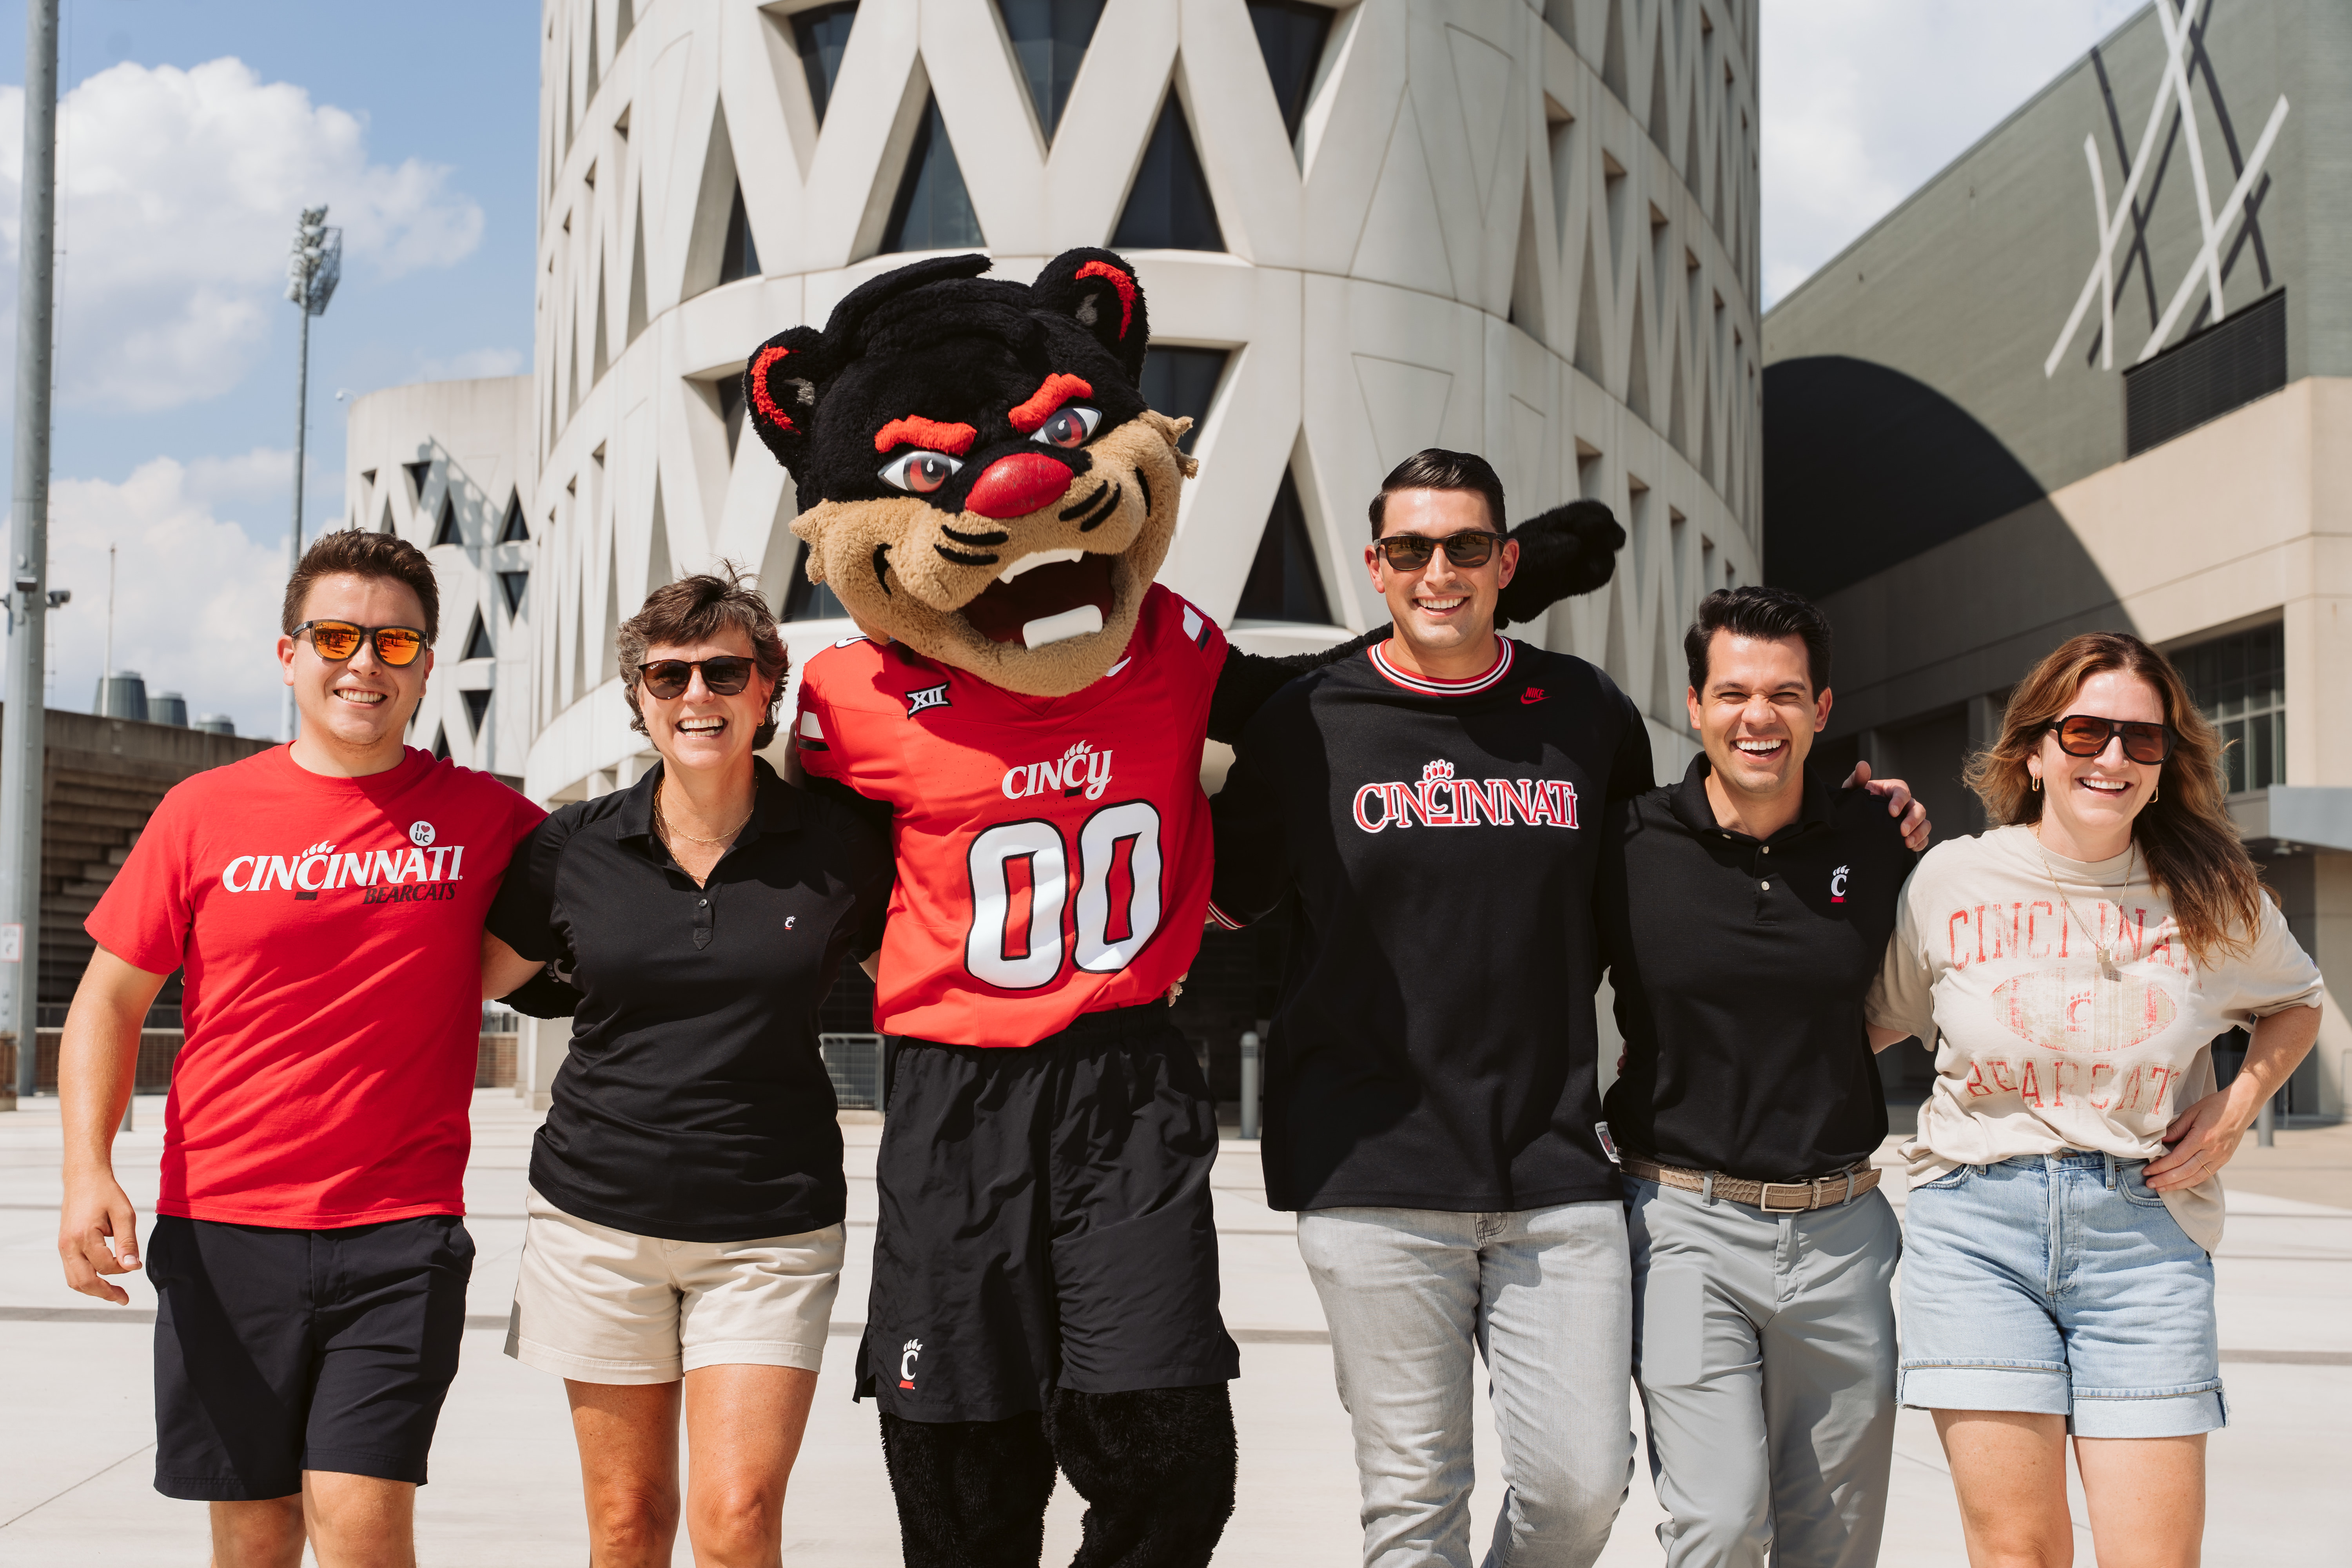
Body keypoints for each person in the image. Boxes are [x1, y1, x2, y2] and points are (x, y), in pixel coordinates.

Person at [54, 530, 545, 1568]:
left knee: (362, 1526)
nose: (363, 662)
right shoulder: (202, 812)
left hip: (400, 1232)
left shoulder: (493, 821)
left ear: (425, 665)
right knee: (256, 1536)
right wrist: (87, 1169)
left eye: (395, 644)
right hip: (223, 1222)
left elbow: (622, 901)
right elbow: (107, 1001)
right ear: (289, 656)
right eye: (335, 635)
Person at [1867, 630, 2323, 1568]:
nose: (2113, 758)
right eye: (2085, 732)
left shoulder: (2213, 892)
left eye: (2142, 740)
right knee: (2018, 1555)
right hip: (1975, 1231)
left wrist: (2238, 1105)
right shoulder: (1951, 878)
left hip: (2146, 1238)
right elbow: (1870, 1023)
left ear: (2165, 765)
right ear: (2034, 751)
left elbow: (2299, 1002)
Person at [479, 569, 891, 1567]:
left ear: (765, 693)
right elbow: (473, 978)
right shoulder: (570, 849)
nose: (695, 694)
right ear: (639, 700)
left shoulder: (839, 846)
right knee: (626, 1525)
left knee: (738, 1515)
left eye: (723, 671)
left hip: (771, 1228)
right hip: (594, 1221)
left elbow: (931, 977)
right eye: (668, 676)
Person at [1599, 585, 1926, 1568]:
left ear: (1822, 710)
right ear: (1694, 704)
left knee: (1833, 1544)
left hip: (1840, 1233)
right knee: (1721, 1521)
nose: (1759, 716)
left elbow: (1905, 994)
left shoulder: (1875, 838)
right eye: (1734, 691)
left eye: (1786, 694)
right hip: (1684, 1222)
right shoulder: (1624, 846)